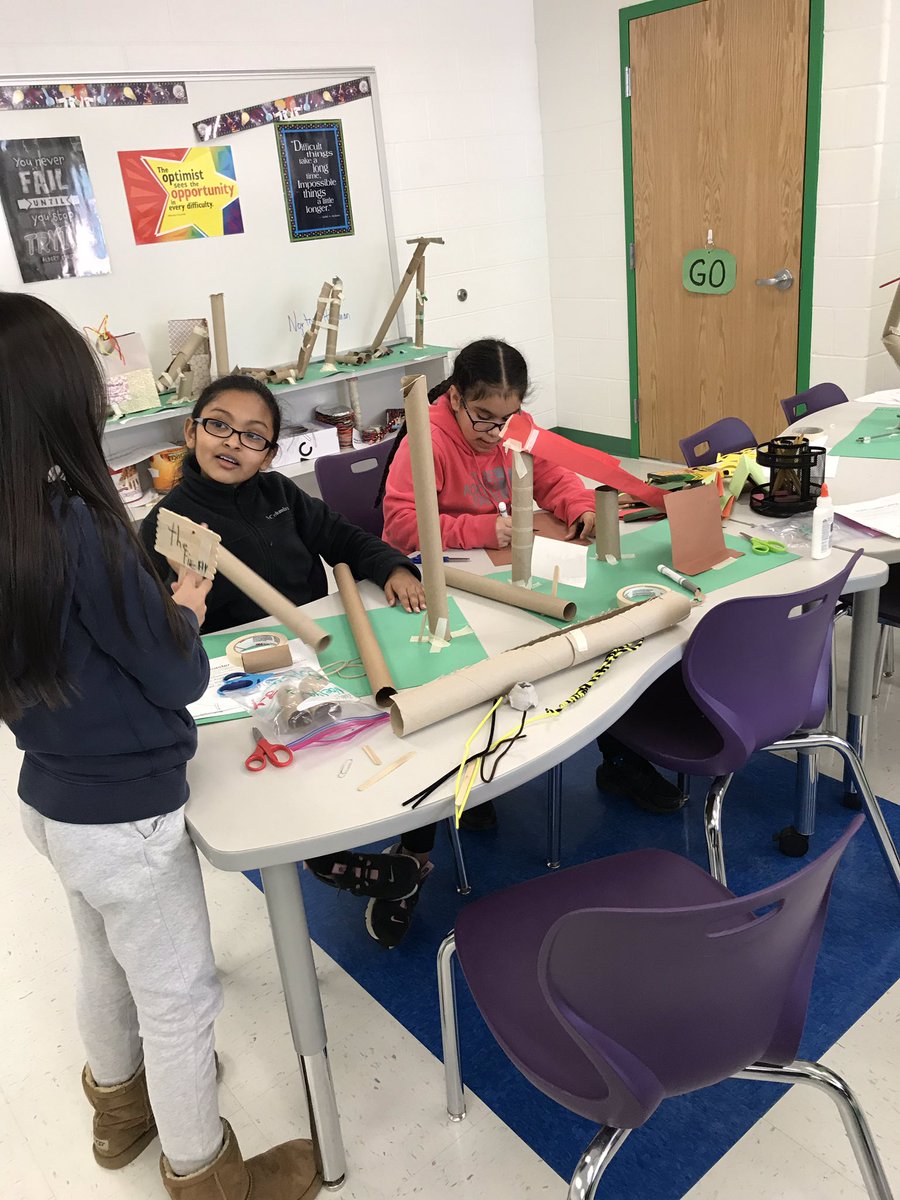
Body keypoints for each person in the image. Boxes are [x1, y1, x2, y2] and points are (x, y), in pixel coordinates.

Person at [1, 292, 320, 1198]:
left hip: (49, 797)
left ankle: (119, 1110)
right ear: (58, 400)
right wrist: (182, 604)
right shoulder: (82, 528)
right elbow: (178, 677)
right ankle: (205, 1174)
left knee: (99, 955)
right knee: (179, 1000)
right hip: (126, 817)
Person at [139, 375, 434, 948]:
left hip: (326, 649)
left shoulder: (281, 495)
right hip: (245, 675)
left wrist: (393, 566)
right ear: (190, 430)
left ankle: (415, 857)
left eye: (253, 436)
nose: (232, 443)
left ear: (271, 452)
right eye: (218, 424)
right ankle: (327, 857)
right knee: (300, 769)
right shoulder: (167, 525)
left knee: (407, 728)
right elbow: (163, 630)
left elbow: (346, 539)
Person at [381, 337, 685, 817]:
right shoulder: (429, 439)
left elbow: (554, 477)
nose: (494, 431)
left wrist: (580, 507)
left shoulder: (512, 427)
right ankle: (471, 773)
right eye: (482, 416)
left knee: (591, 641)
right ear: (456, 398)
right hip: (452, 580)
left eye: (507, 418)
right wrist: (481, 528)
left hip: (512, 571)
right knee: (477, 665)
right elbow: (399, 524)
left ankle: (620, 755)